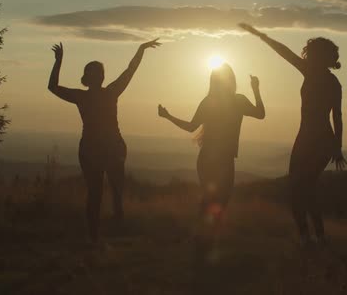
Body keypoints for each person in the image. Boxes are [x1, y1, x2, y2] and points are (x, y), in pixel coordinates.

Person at [239, 23, 347, 247]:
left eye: (313, 53)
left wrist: (338, 147)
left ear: (319, 57)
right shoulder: (325, 79)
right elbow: (337, 118)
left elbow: (338, 116)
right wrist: (337, 147)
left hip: (314, 140)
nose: (309, 56)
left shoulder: (320, 77)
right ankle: (314, 238)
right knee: (304, 190)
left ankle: (311, 238)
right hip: (315, 139)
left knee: (300, 189)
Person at [47, 39, 161, 243]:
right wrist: (141, 49)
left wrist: (59, 61)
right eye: (97, 73)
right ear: (93, 78)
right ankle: (107, 235)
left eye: (99, 72)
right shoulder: (109, 93)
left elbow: (52, 87)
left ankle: (98, 237)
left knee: (98, 193)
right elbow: (130, 71)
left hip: (96, 149)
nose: (100, 76)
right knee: (110, 193)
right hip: (106, 148)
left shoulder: (84, 96)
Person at [158, 63, 265, 257]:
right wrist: (256, 89)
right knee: (217, 200)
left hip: (209, 158)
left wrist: (167, 116)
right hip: (219, 159)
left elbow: (191, 127)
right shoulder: (235, 101)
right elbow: (261, 113)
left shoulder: (211, 101)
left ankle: (204, 241)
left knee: (215, 200)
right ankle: (204, 242)